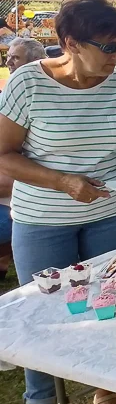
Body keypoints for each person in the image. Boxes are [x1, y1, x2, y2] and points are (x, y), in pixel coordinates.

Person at [0, 0, 116, 404]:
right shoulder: (28, 84)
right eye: (107, 47)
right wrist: (63, 181)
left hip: (112, 214)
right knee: (44, 318)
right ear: (70, 42)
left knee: (107, 307)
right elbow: (5, 156)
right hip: (42, 220)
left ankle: (107, 398)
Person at [0, 39, 46, 281]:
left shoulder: (35, 95)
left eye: (15, 57)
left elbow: (8, 179)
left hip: (21, 202)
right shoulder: (9, 92)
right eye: (8, 56)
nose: (8, 61)